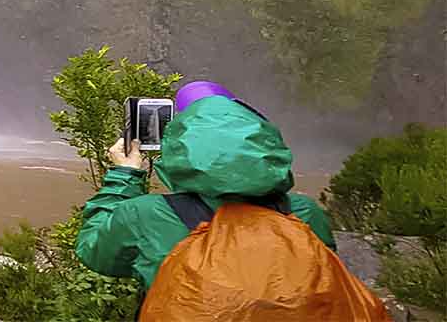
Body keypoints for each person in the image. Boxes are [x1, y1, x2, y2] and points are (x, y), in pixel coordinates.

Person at [76, 80, 389, 320]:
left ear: (180, 147)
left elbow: (94, 251)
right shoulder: (303, 213)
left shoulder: (145, 216)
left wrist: (126, 175)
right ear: (264, 142)